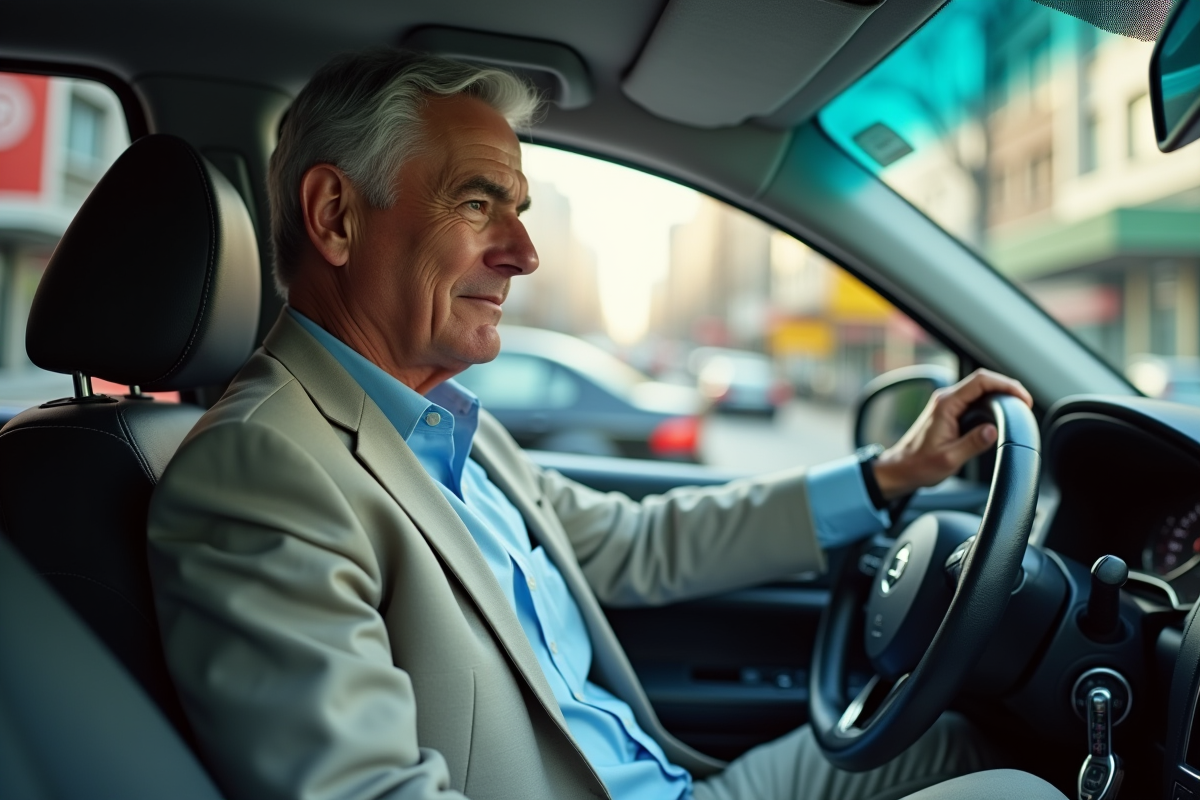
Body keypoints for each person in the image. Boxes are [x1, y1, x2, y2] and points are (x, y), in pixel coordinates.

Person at [147, 49, 1064, 800]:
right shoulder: (262, 472)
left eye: (520, 211)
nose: (524, 253)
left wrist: (884, 477)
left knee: (957, 744)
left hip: (678, 783)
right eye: (477, 202)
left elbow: (633, 541)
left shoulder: (447, 425)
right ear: (336, 216)